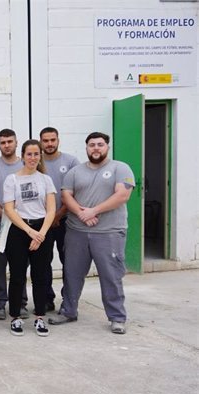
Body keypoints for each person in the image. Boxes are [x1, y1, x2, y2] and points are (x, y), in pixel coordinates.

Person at [49, 132, 135, 334]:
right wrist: (81, 213)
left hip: (109, 232)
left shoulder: (120, 168)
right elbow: (66, 195)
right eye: (91, 145)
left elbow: (122, 195)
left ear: (107, 147)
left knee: (110, 275)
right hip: (77, 231)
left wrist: (93, 211)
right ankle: (68, 311)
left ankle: (117, 317)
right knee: (72, 273)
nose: (96, 148)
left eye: (100, 144)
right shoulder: (75, 171)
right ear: (86, 148)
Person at [2, 140, 56, 337]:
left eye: (36, 154)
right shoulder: (12, 180)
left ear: (40, 156)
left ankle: (39, 317)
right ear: (22, 156)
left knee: (40, 276)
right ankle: (15, 317)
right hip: (19, 230)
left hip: (42, 229)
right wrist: (29, 231)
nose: (33, 158)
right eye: (29, 154)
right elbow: (9, 209)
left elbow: (51, 209)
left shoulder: (45, 180)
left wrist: (40, 233)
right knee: (17, 276)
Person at [0, 129, 29, 320]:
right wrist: (5, 215)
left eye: (10, 141)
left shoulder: (26, 165)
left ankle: (21, 303)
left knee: (20, 263)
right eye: (3, 142)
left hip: (22, 223)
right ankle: (0, 303)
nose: (7, 145)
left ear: (16, 143)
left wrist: (17, 218)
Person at [40, 127, 80, 311]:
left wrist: (58, 214)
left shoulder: (71, 162)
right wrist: (49, 217)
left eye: (52, 140)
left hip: (66, 221)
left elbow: (76, 192)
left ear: (58, 140)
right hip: (42, 222)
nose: (49, 144)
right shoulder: (36, 162)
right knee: (42, 262)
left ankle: (68, 300)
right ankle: (46, 298)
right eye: (46, 140)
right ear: (41, 142)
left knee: (69, 262)